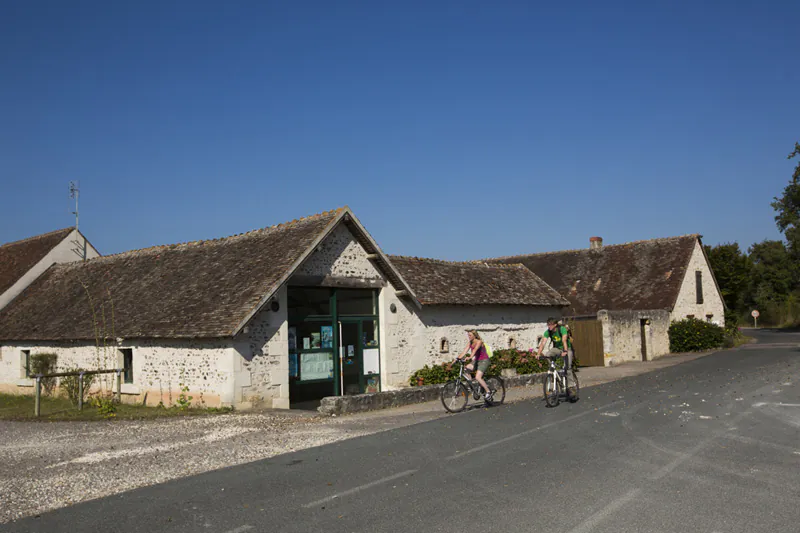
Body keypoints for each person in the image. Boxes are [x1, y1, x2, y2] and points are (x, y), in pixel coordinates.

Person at [457, 330, 493, 401]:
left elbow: (475, 350)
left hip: (484, 361)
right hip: (476, 361)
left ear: (474, 335)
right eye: (468, 335)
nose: (469, 337)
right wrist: (456, 360)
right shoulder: (470, 343)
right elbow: (464, 352)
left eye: (470, 335)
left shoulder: (479, 341)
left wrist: (470, 357)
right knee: (466, 369)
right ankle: (473, 388)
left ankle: (488, 392)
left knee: (478, 377)